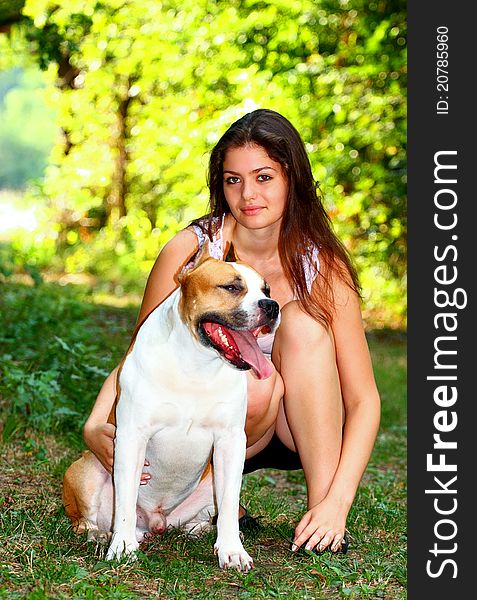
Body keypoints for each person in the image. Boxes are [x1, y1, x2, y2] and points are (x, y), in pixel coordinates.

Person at [83, 108, 381, 555]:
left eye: (263, 177)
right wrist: (94, 424)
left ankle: (321, 517)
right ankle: (209, 496)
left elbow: (364, 400)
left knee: (300, 323)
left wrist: (339, 502)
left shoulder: (324, 266)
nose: (248, 195)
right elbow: (141, 354)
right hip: (200, 428)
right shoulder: (191, 253)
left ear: (291, 179)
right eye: (232, 180)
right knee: (252, 381)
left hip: (291, 428)